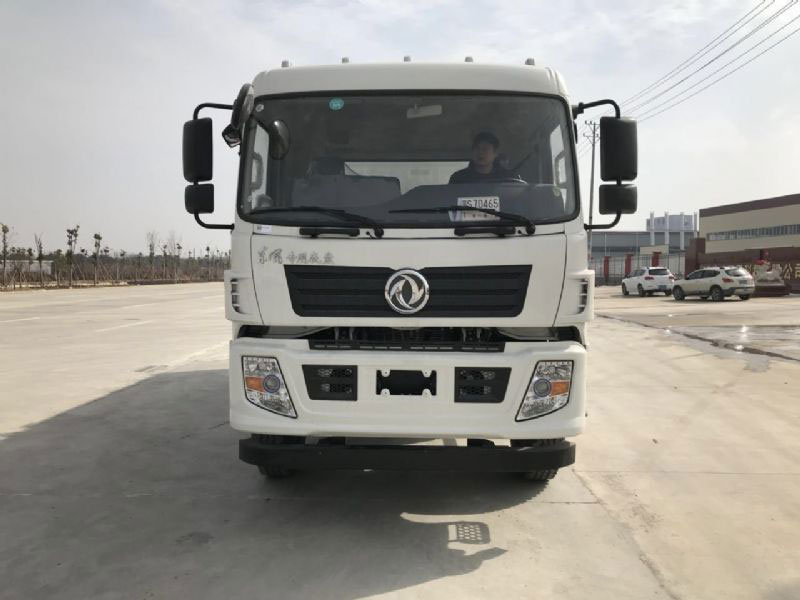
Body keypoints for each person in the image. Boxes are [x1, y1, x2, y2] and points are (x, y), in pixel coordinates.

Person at [449, 131, 516, 183]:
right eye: (477, 148)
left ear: (495, 153)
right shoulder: (458, 178)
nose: (480, 152)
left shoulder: (508, 178)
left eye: (485, 149)